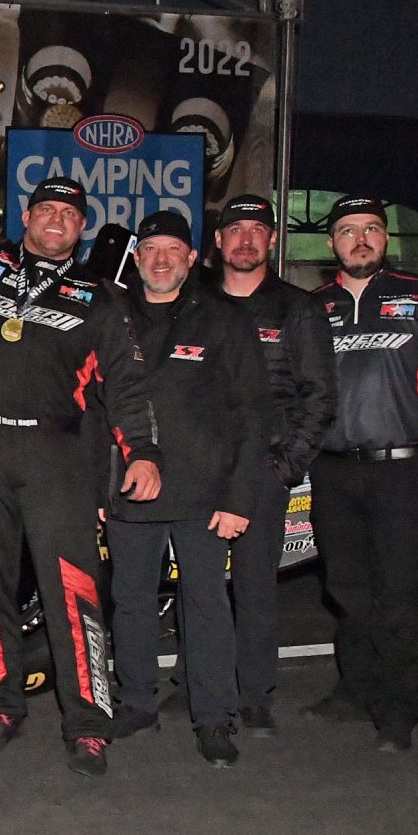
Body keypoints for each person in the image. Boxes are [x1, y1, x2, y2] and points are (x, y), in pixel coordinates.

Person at [0, 96, 162, 777]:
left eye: (71, 215)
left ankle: (88, 723)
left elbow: (126, 386)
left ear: (81, 228)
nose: (57, 220)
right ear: (27, 216)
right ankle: (1, 702)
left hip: (58, 455)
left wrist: (144, 454)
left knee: (72, 585)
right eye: (47, 210)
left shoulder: (101, 300)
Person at [307, 196, 418, 750]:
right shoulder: (312, 306)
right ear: (331, 243)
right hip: (333, 471)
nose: (359, 239)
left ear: (385, 240)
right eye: (346, 231)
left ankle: (398, 710)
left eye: (370, 230)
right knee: (346, 587)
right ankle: (355, 690)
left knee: (400, 592)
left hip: (402, 473)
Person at [105, 213, 271, 765]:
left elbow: (254, 416)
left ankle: (215, 718)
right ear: (136, 257)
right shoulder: (109, 314)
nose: (160, 259)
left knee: (206, 606)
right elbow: (86, 407)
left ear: (193, 257)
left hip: (205, 496)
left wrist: (238, 497)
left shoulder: (222, 320)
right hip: (128, 489)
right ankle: (135, 704)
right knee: (129, 602)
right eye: (150, 248)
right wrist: (94, 492)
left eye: (172, 249)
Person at [211, 195, 337, 734]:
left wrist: (285, 466)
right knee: (200, 583)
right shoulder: (192, 302)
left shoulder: (297, 308)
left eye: (256, 231)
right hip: (199, 469)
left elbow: (320, 396)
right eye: (234, 229)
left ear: (272, 241)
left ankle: (255, 694)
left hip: (263, 469)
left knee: (255, 585)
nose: (245, 240)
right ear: (217, 242)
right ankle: (202, 683)